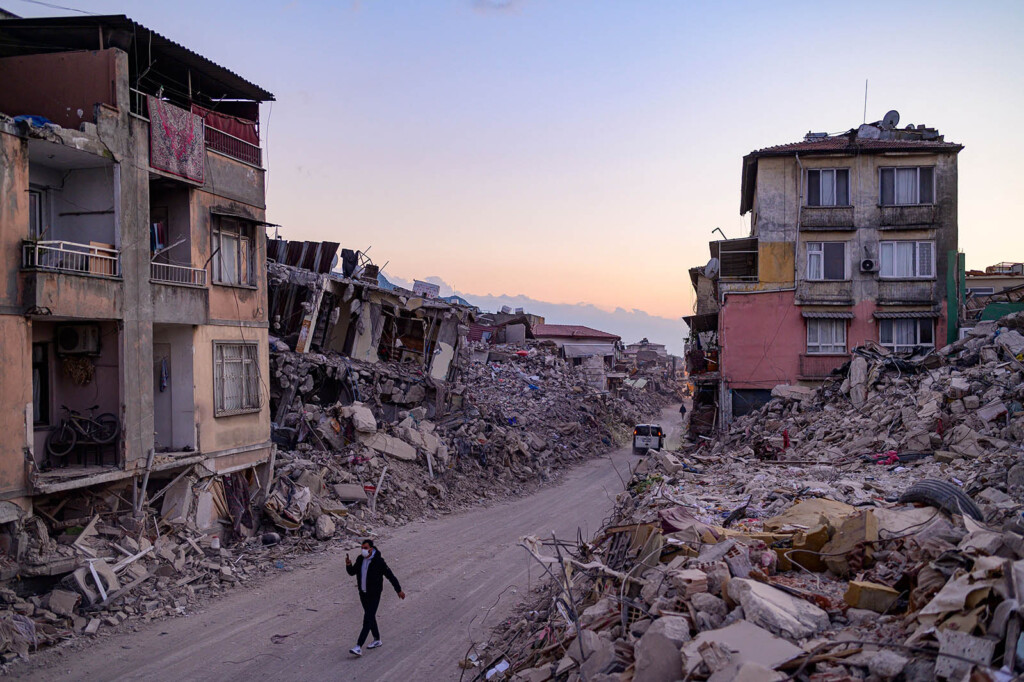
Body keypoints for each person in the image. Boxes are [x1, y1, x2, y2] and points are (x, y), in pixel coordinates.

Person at [345, 539, 405, 656]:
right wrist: (348, 565)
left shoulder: (379, 562)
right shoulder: (360, 559)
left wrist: (398, 590)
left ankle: (358, 646)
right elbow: (352, 572)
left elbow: (390, 576)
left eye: (365, 548)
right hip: (363, 593)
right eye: (362, 547)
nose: (363, 550)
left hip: (374, 594)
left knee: (367, 619)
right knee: (370, 616)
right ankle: (377, 639)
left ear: (371, 549)